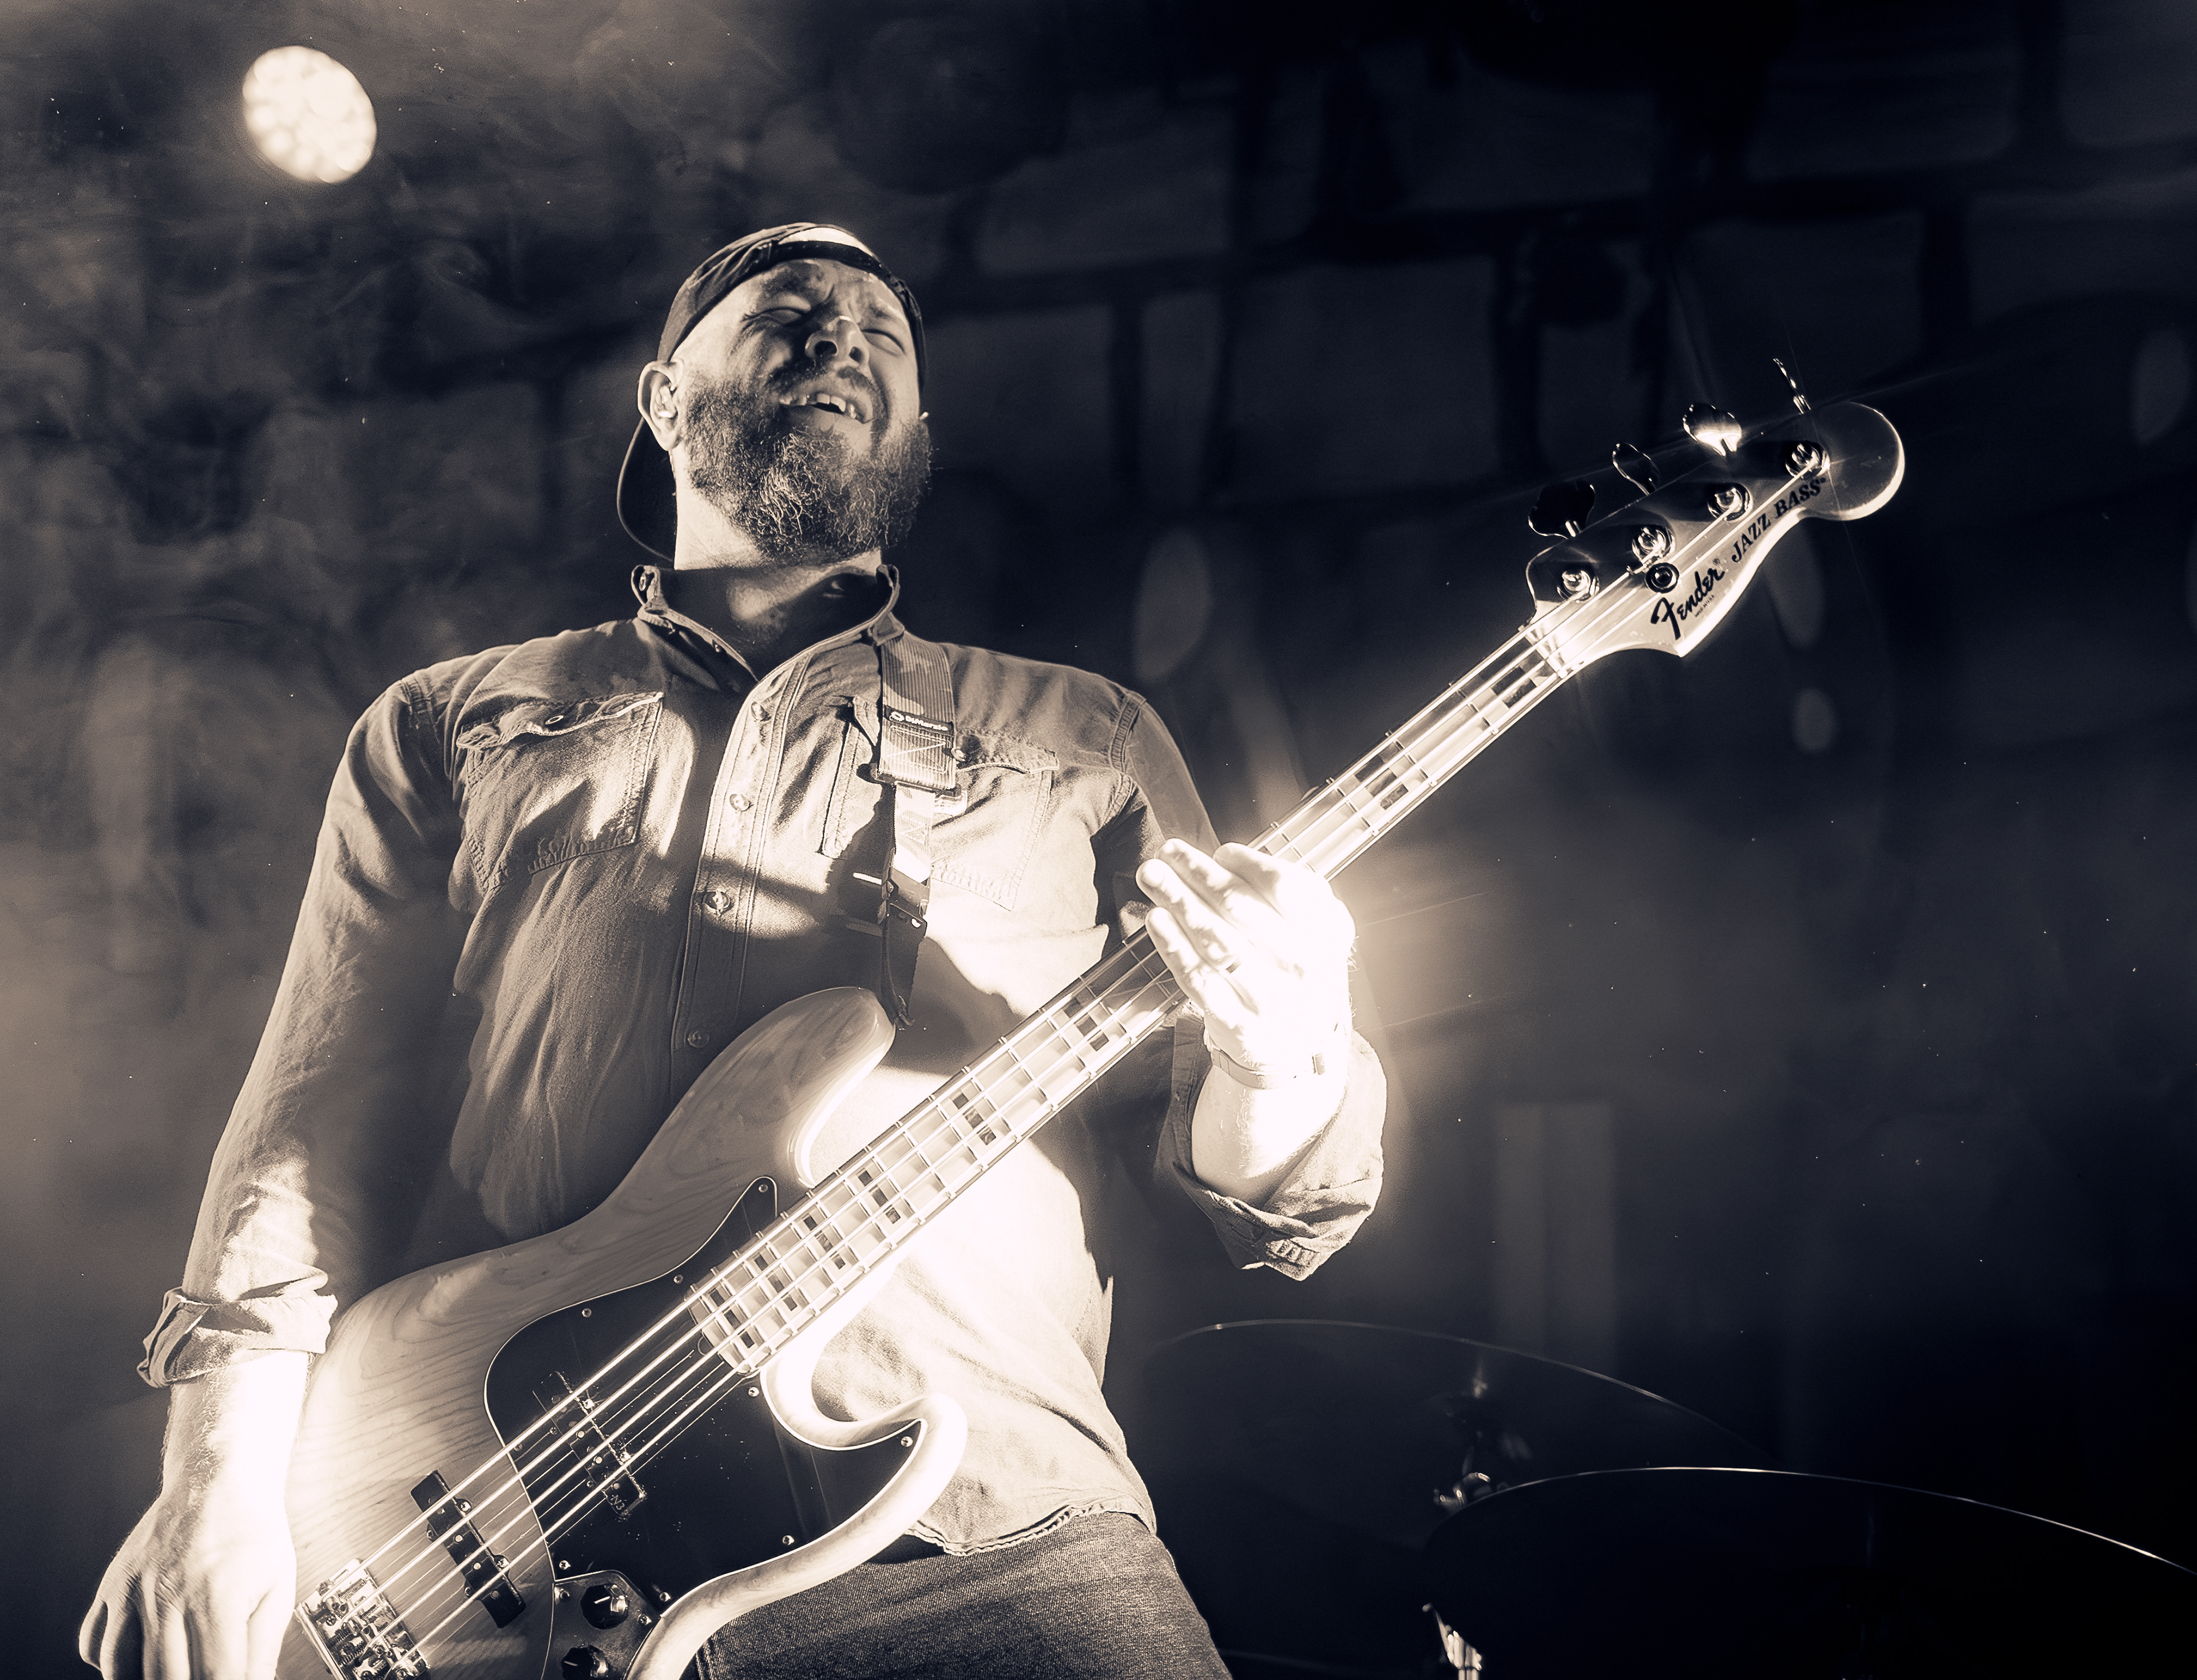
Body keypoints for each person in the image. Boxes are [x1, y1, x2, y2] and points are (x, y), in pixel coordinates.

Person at [80, 223, 1385, 1680]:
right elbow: (309, 1133)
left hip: (992, 1530)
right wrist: (214, 1480)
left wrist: (1285, 1055)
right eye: (790, 311)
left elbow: (1261, 1198)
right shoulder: (454, 720)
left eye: (885, 335)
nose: (843, 342)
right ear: (660, 399)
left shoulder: (1087, 735)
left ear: (919, 430)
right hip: (513, 1542)